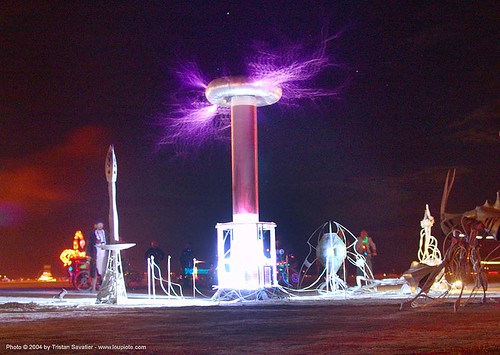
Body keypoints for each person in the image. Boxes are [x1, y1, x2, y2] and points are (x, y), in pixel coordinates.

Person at [86, 220, 109, 292]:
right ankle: (93, 288)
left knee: (103, 271)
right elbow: (89, 244)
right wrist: (89, 254)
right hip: (95, 254)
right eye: (99, 224)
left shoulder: (105, 233)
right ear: (95, 225)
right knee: (94, 271)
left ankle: (103, 287)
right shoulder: (92, 234)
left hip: (104, 253)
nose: (100, 226)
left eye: (101, 224)